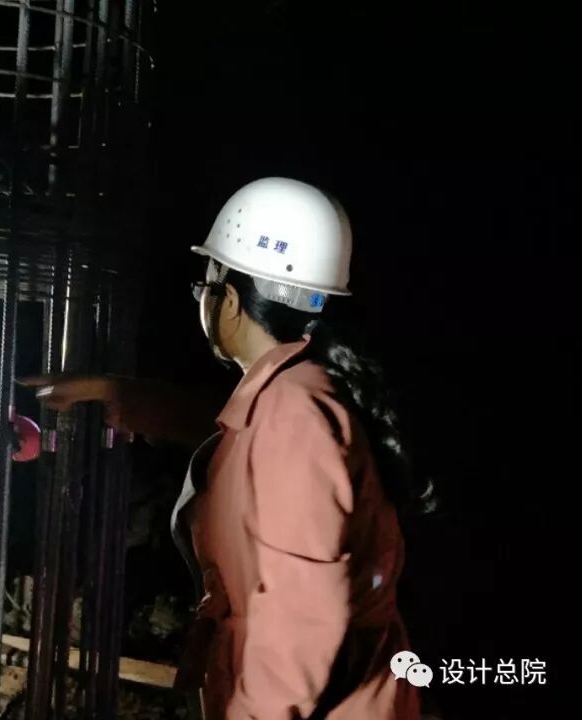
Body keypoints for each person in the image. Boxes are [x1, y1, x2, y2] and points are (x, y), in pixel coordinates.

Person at [27, 178, 432, 719]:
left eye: (205, 285)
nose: (201, 298)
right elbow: (236, 438)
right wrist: (113, 393)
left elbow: (298, 625)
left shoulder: (293, 416)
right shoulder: (295, 394)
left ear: (232, 301)